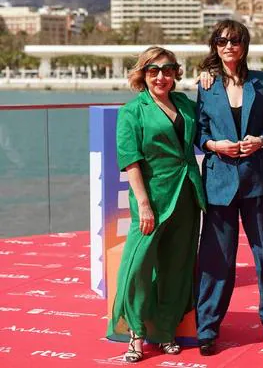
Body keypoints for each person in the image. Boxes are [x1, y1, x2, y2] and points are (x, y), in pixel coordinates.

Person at [195, 19, 263, 356]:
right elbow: (199, 133)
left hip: (254, 180)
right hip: (218, 181)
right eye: (222, 41)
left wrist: (261, 140)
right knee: (216, 258)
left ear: (244, 45)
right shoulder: (206, 84)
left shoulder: (261, 82)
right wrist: (213, 146)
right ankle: (207, 328)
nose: (228, 46)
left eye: (235, 41)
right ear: (215, 46)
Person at [107, 46, 206, 363]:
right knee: (137, 268)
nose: (161, 76)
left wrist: (210, 80)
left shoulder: (185, 104)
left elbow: (212, 124)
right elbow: (130, 161)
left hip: (188, 195)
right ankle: (135, 334)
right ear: (142, 74)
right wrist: (144, 204)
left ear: (176, 72)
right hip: (152, 199)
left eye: (168, 69)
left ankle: (165, 332)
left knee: (177, 268)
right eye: (153, 70)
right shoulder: (132, 111)